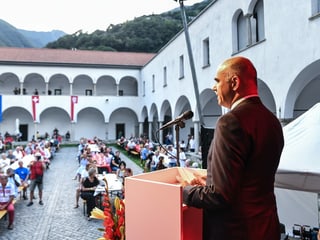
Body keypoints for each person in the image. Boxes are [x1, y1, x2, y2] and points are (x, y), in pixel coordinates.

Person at [181, 56, 284, 240]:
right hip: (266, 227)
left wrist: (184, 191)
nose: (214, 87)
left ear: (234, 82)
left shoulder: (230, 122)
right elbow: (252, 175)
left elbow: (219, 196)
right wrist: (211, 177)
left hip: (236, 230)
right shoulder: (272, 120)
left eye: (218, 81)